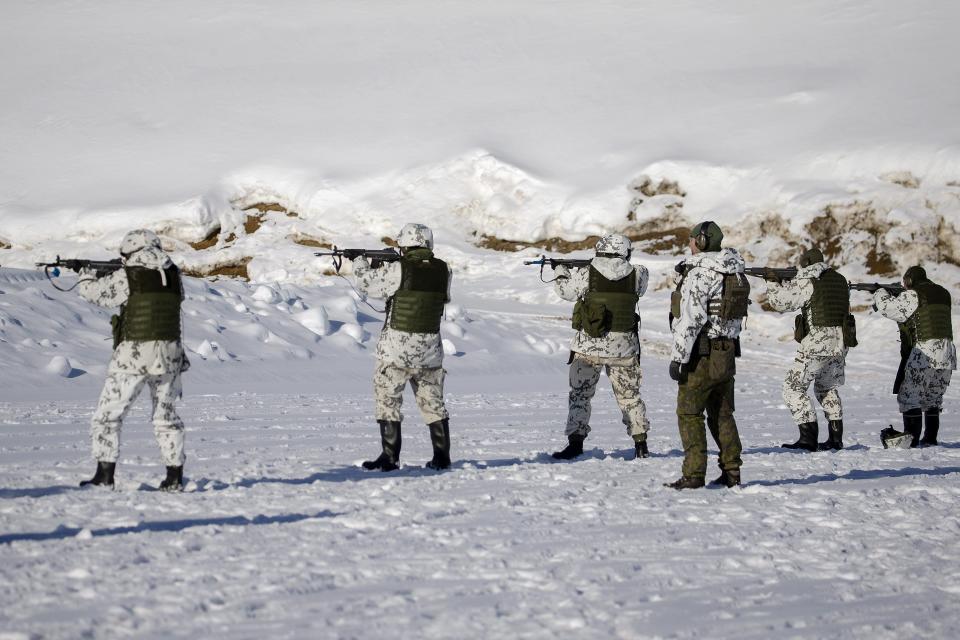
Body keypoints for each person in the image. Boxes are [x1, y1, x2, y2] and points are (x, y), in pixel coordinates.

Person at [77, 229, 189, 491]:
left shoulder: (129, 273)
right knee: (166, 417)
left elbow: (96, 295)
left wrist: (85, 275)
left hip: (134, 356)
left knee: (108, 414)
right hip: (171, 354)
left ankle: (104, 476)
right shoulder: (173, 274)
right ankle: (174, 478)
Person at [353, 223, 453, 470]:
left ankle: (389, 457)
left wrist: (358, 262)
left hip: (397, 350)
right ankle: (442, 457)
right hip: (430, 350)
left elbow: (368, 285)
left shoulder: (399, 267)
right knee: (433, 402)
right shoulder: (444, 269)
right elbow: (443, 298)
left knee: (388, 399)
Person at [550, 234, 651, 460]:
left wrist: (560, 271)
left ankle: (575, 444)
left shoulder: (586, 273)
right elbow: (638, 288)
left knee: (580, 396)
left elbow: (566, 292)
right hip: (624, 349)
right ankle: (640, 443)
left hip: (589, 348)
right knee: (630, 397)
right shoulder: (639, 274)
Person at [666, 221, 748, 489]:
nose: (690, 244)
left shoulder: (702, 274)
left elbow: (691, 319)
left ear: (700, 242)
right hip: (726, 353)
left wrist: (679, 358)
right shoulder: (735, 272)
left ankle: (693, 474)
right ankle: (732, 471)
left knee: (689, 413)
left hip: (700, 354)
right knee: (722, 414)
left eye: (692, 240)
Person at [767, 248, 851, 451]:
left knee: (793, 388)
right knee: (826, 388)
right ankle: (835, 439)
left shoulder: (809, 280)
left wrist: (772, 282)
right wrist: (787, 282)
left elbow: (780, 302)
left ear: (805, 263)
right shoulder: (840, 280)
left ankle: (808, 439)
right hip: (840, 344)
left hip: (817, 345)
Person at [874, 266, 955, 446]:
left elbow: (890, 309)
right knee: (933, 397)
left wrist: (879, 292)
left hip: (925, 353)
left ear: (910, 280)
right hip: (947, 354)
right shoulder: (943, 293)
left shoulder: (914, 294)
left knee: (910, 396)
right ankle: (930, 438)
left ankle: (911, 439)